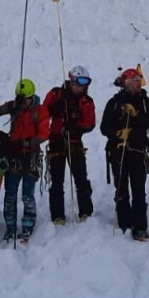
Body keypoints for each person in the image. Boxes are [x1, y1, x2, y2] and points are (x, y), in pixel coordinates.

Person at [99, 68, 149, 241]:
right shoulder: (115, 103)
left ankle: (140, 227)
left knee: (139, 190)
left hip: (138, 151)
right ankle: (124, 221)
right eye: (134, 81)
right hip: (118, 151)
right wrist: (117, 134)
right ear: (126, 84)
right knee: (121, 188)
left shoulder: (146, 102)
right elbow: (104, 127)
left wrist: (136, 114)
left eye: (139, 80)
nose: (138, 84)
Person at [0, 79, 49, 241]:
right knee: (10, 193)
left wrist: (28, 142)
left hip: (30, 156)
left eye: (25, 99)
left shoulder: (40, 111)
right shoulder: (15, 107)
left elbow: (44, 133)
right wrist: (11, 106)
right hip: (14, 155)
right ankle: (10, 226)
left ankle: (28, 225)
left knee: (27, 194)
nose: (23, 102)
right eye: (20, 98)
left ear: (31, 97)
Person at [43, 65, 96, 224]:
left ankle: (86, 212)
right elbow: (43, 114)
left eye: (84, 86)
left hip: (74, 141)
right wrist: (55, 107)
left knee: (81, 179)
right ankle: (58, 215)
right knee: (57, 180)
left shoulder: (86, 101)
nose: (81, 88)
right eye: (79, 85)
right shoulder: (56, 94)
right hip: (56, 141)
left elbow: (90, 123)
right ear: (72, 82)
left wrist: (76, 126)